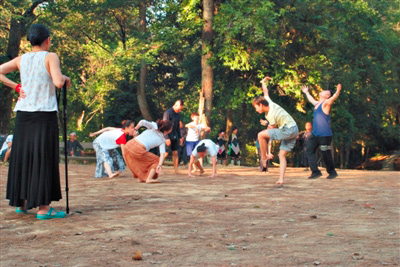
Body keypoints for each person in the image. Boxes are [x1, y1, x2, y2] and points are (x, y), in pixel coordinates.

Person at [0, 24, 71, 219]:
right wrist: (64, 77)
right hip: (43, 113)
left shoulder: (22, 59)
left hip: (23, 114)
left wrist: (16, 86)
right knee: (43, 156)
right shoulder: (50, 56)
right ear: (47, 39)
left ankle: (21, 203)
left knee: (23, 155)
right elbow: (57, 82)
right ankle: (43, 208)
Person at [253, 76, 299, 184]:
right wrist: (263, 82)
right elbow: (266, 92)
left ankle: (264, 159)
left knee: (260, 135)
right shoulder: (269, 102)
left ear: (261, 105)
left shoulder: (271, 114)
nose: (256, 110)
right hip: (294, 129)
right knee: (281, 155)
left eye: (256, 107)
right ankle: (281, 179)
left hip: (288, 130)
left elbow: (272, 128)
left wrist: (267, 124)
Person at [301, 84, 342, 179]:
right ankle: (315, 172)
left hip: (324, 135)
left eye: (326, 92)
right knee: (309, 151)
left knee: (325, 153)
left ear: (327, 96)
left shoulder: (326, 103)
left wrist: (337, 92)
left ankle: (332, 172)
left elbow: (332, 99)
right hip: (315, 134)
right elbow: (311, 100)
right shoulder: (317, 104)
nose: (323, 91)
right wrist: (306, 92)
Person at [123, 119, 173, 183]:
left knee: (142, 160)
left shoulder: (153, 126)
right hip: (138, 148)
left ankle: (141, 177)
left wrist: (135, 129)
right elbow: (162, 154)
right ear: (167, 131)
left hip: (129, 145)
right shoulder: (162, 140)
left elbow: (142, 122)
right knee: (156, 160)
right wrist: (159, 165)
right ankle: (148, 178)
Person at [163, 100, 184, 173]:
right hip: (168, 135)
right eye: (179, 109)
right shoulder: (168, 113)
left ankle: (176, 170)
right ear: (176, 105)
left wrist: (180, 137)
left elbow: (178, 126)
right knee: (166, 153)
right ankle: (157, 167)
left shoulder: (178, 114)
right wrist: (166, 138)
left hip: (175, 135)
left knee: (175, 152)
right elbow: (164, 125)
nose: (180, 110)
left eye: (181, 109)